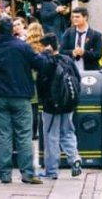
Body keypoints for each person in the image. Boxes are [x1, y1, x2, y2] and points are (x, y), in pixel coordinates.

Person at [0, 17, 44, 185]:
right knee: (24, 135)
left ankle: (4, 174)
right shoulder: (22, 46)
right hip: (20, 95)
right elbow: (39, 63)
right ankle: (27, 173)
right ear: (13, 29)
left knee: (3, 135)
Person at [34, 33, 82, 180]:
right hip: (68, 103)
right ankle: (75, 159)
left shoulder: (46, 62)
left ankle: (52, 171)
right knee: (67, 131)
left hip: (51, 106)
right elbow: (78, 79)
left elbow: (41, 84)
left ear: (46, 47)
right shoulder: (67, 59)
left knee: (51, 136)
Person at [60, 7, 102, 72]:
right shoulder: (68, 32)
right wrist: (72, 52)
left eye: (77, 17)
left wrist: (84, 53)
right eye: (73, 17)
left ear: (85, 17)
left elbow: (98, 54)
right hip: (72, 71)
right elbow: (61, 51)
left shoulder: (96, 35)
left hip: (89, 72)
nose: (74, 19)